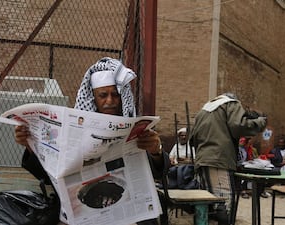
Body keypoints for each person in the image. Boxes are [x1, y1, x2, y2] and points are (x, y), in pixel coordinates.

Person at [14, 57, 169, 225]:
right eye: (103, 95)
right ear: (92, 98)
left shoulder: (137, 129)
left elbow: (159, 171)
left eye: (115, 95)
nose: (109, 101)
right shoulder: (72, 131)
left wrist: (156, 150)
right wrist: (29, 146)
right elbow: (48, 175)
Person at [190, 93, 267, 225]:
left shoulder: (204, 110)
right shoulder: (231, 103)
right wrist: (260, 122)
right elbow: (239, 126)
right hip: (219, 161)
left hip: (202, 161)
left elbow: (192, 139)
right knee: (224, 206)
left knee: (208, 206)